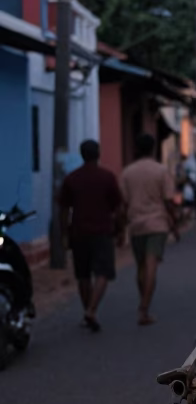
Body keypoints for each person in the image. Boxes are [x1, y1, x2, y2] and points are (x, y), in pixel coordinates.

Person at [59, 139, 123, 333]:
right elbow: (118, 206)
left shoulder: (72, 178)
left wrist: (63, 234)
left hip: (78, 232)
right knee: (103, 272)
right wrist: (120, 229)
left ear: (81, 154)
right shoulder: (107, 177)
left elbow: (63, 209)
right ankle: (92, 309)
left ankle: (88, 311)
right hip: (102, 231)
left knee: (83, 274)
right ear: (99, 154)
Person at [120, 134, 179, 326]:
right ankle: (144, 309)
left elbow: (123, 203)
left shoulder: (127, 172)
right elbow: (169, 200)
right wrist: (174, 223)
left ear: (136, 148)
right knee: (151, 265)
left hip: (136, 225)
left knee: (141, 267)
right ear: (153, 148)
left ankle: (143, 304)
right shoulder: (161, 171)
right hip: (157, 224)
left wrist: (121, 229)